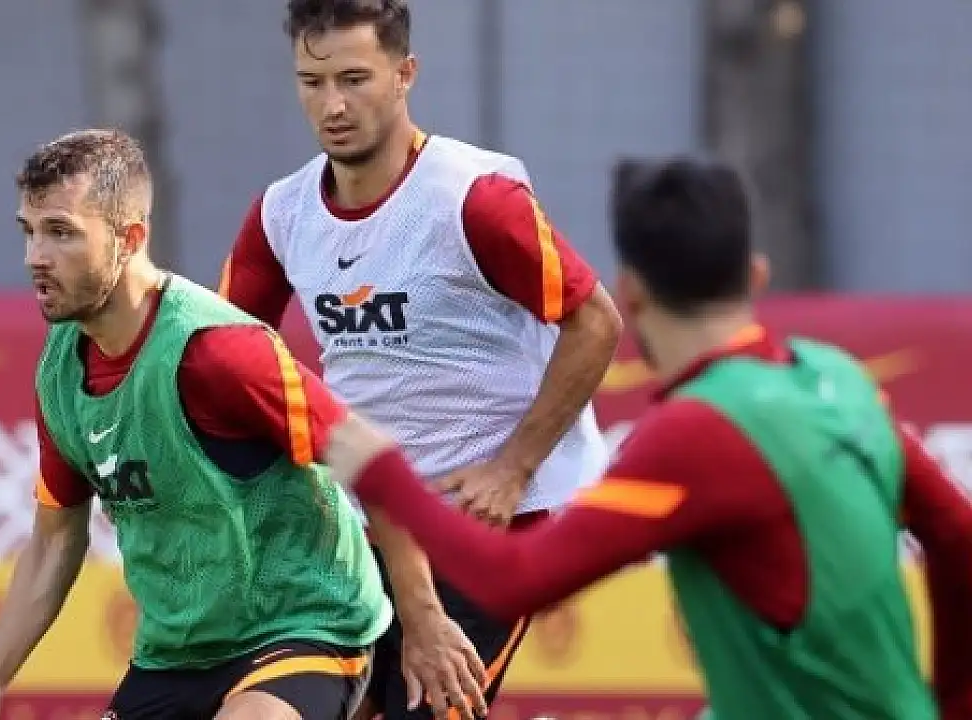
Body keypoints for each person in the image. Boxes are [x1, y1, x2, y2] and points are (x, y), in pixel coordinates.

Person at [324, 157, 972, 719]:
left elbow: (514, 580)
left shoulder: (696, 434)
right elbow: (958, 536)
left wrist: (384, 475)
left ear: (631, 294)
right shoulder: (844, 383)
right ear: (756, 275)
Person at [0, 129, 474, 720]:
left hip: (303, 629)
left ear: (130, 239)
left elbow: (374, 463)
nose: (35, 258)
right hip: (173, 656)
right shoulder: (60, 369)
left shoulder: (217, 353)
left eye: (61, 232)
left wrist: (423, 620)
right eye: (29, 232)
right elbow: (54, 541)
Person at [218, 2, 623, 717]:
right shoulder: (282, 214)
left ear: (405, 75)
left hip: (483, 530)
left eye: (354, 79)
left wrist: (513, 468)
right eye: (312, 82)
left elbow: (596, 323)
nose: (332, 105)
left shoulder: (474, 200)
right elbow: (223, 360)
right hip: (358, 532)